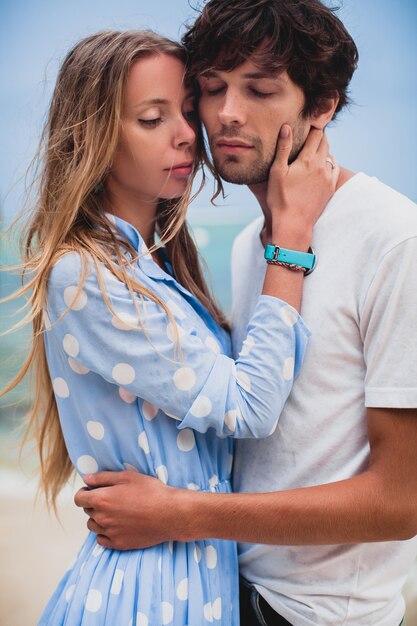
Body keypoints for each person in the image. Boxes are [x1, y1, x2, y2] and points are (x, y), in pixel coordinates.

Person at [75, 2, 417, 626]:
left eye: (260, 89)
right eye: (211, 89)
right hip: (222, 592)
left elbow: (403, 500)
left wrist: (180, 513)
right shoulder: (248, 245)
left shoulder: (395, 240)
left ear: (321, 107)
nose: (226, 113)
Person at [1, 28, 338, 626]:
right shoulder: (86, 275)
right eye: (153, 119)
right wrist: (291, 238)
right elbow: (250, 407)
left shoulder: (153, 264)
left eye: (187, 111)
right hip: (145, 598)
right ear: (95, 140)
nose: (189, 134)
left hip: (196, 586)